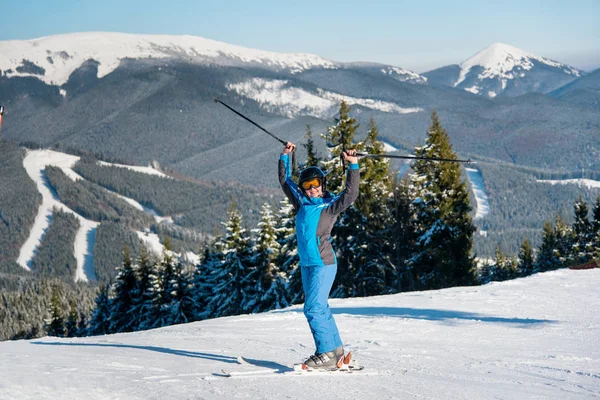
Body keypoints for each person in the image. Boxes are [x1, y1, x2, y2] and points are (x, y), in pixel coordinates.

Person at [278, 141, 360, 369]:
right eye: (307, 185)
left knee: (312, 307)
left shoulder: (330, 206)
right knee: (320, 306)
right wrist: (286, 156)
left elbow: (351, 193)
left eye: (315, 184)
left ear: (322, 184)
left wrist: (352, 164)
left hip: (323, 264)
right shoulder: (302, 203)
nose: (312, 189)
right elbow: (285, 182)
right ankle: (335, 351)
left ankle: (326, 354)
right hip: (307, 265)